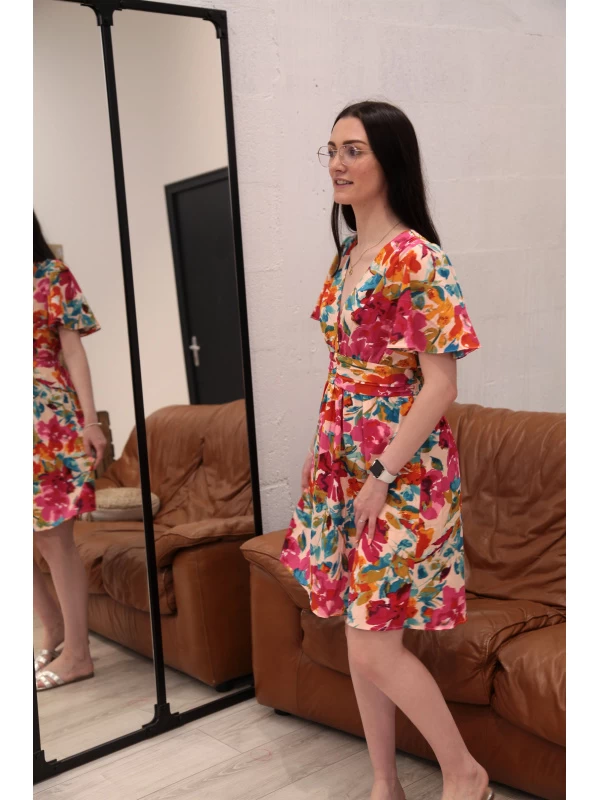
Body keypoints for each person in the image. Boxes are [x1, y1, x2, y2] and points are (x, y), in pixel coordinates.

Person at [280, 101, 491, 800]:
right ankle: (383, 784)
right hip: (342, 466)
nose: (337, 164)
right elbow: (341, 369)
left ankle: (465, 774)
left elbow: (441, 385)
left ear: (389, 161)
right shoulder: (347, 256)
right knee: (359, 631)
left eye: (354, 150)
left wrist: (380, 473)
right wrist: (322, 455)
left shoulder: (418, 258)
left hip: (401, 472)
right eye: (331, 150)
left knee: (372, 641)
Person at [33, 211, 106, 691]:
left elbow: (74, 351)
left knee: (54, 540)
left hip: (48, 423)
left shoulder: (50, 275)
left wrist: (91, 421)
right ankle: (54, 630)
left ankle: (79, 655)